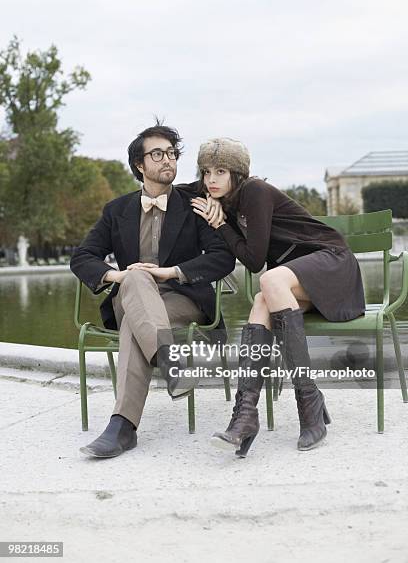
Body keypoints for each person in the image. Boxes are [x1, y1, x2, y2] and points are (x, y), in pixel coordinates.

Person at [181, 137, 366, 457]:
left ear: (237, 173)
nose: (211, 179)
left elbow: (254, 260)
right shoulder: (218, 195)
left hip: (331, 262)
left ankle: (306, 402)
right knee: (262, 299)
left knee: (269, 280)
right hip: (293, 280)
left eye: (221, 171)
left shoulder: (254, 192)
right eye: (206, 171)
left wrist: (222, 224)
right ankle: (245, 416)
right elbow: (177, 192)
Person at [70, 123, 236, 458]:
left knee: (135, 323)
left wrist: (170, 272)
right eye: (157, 154)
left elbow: (223, 258)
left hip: (182, 299)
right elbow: (82, 257)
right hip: (129, 296)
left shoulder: (196, 205)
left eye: (172, 154)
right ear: (139, 165)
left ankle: (122, 427)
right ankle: (169, 360)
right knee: (134, 280)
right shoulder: (116, 211)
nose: (167, 160)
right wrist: (120, 277)